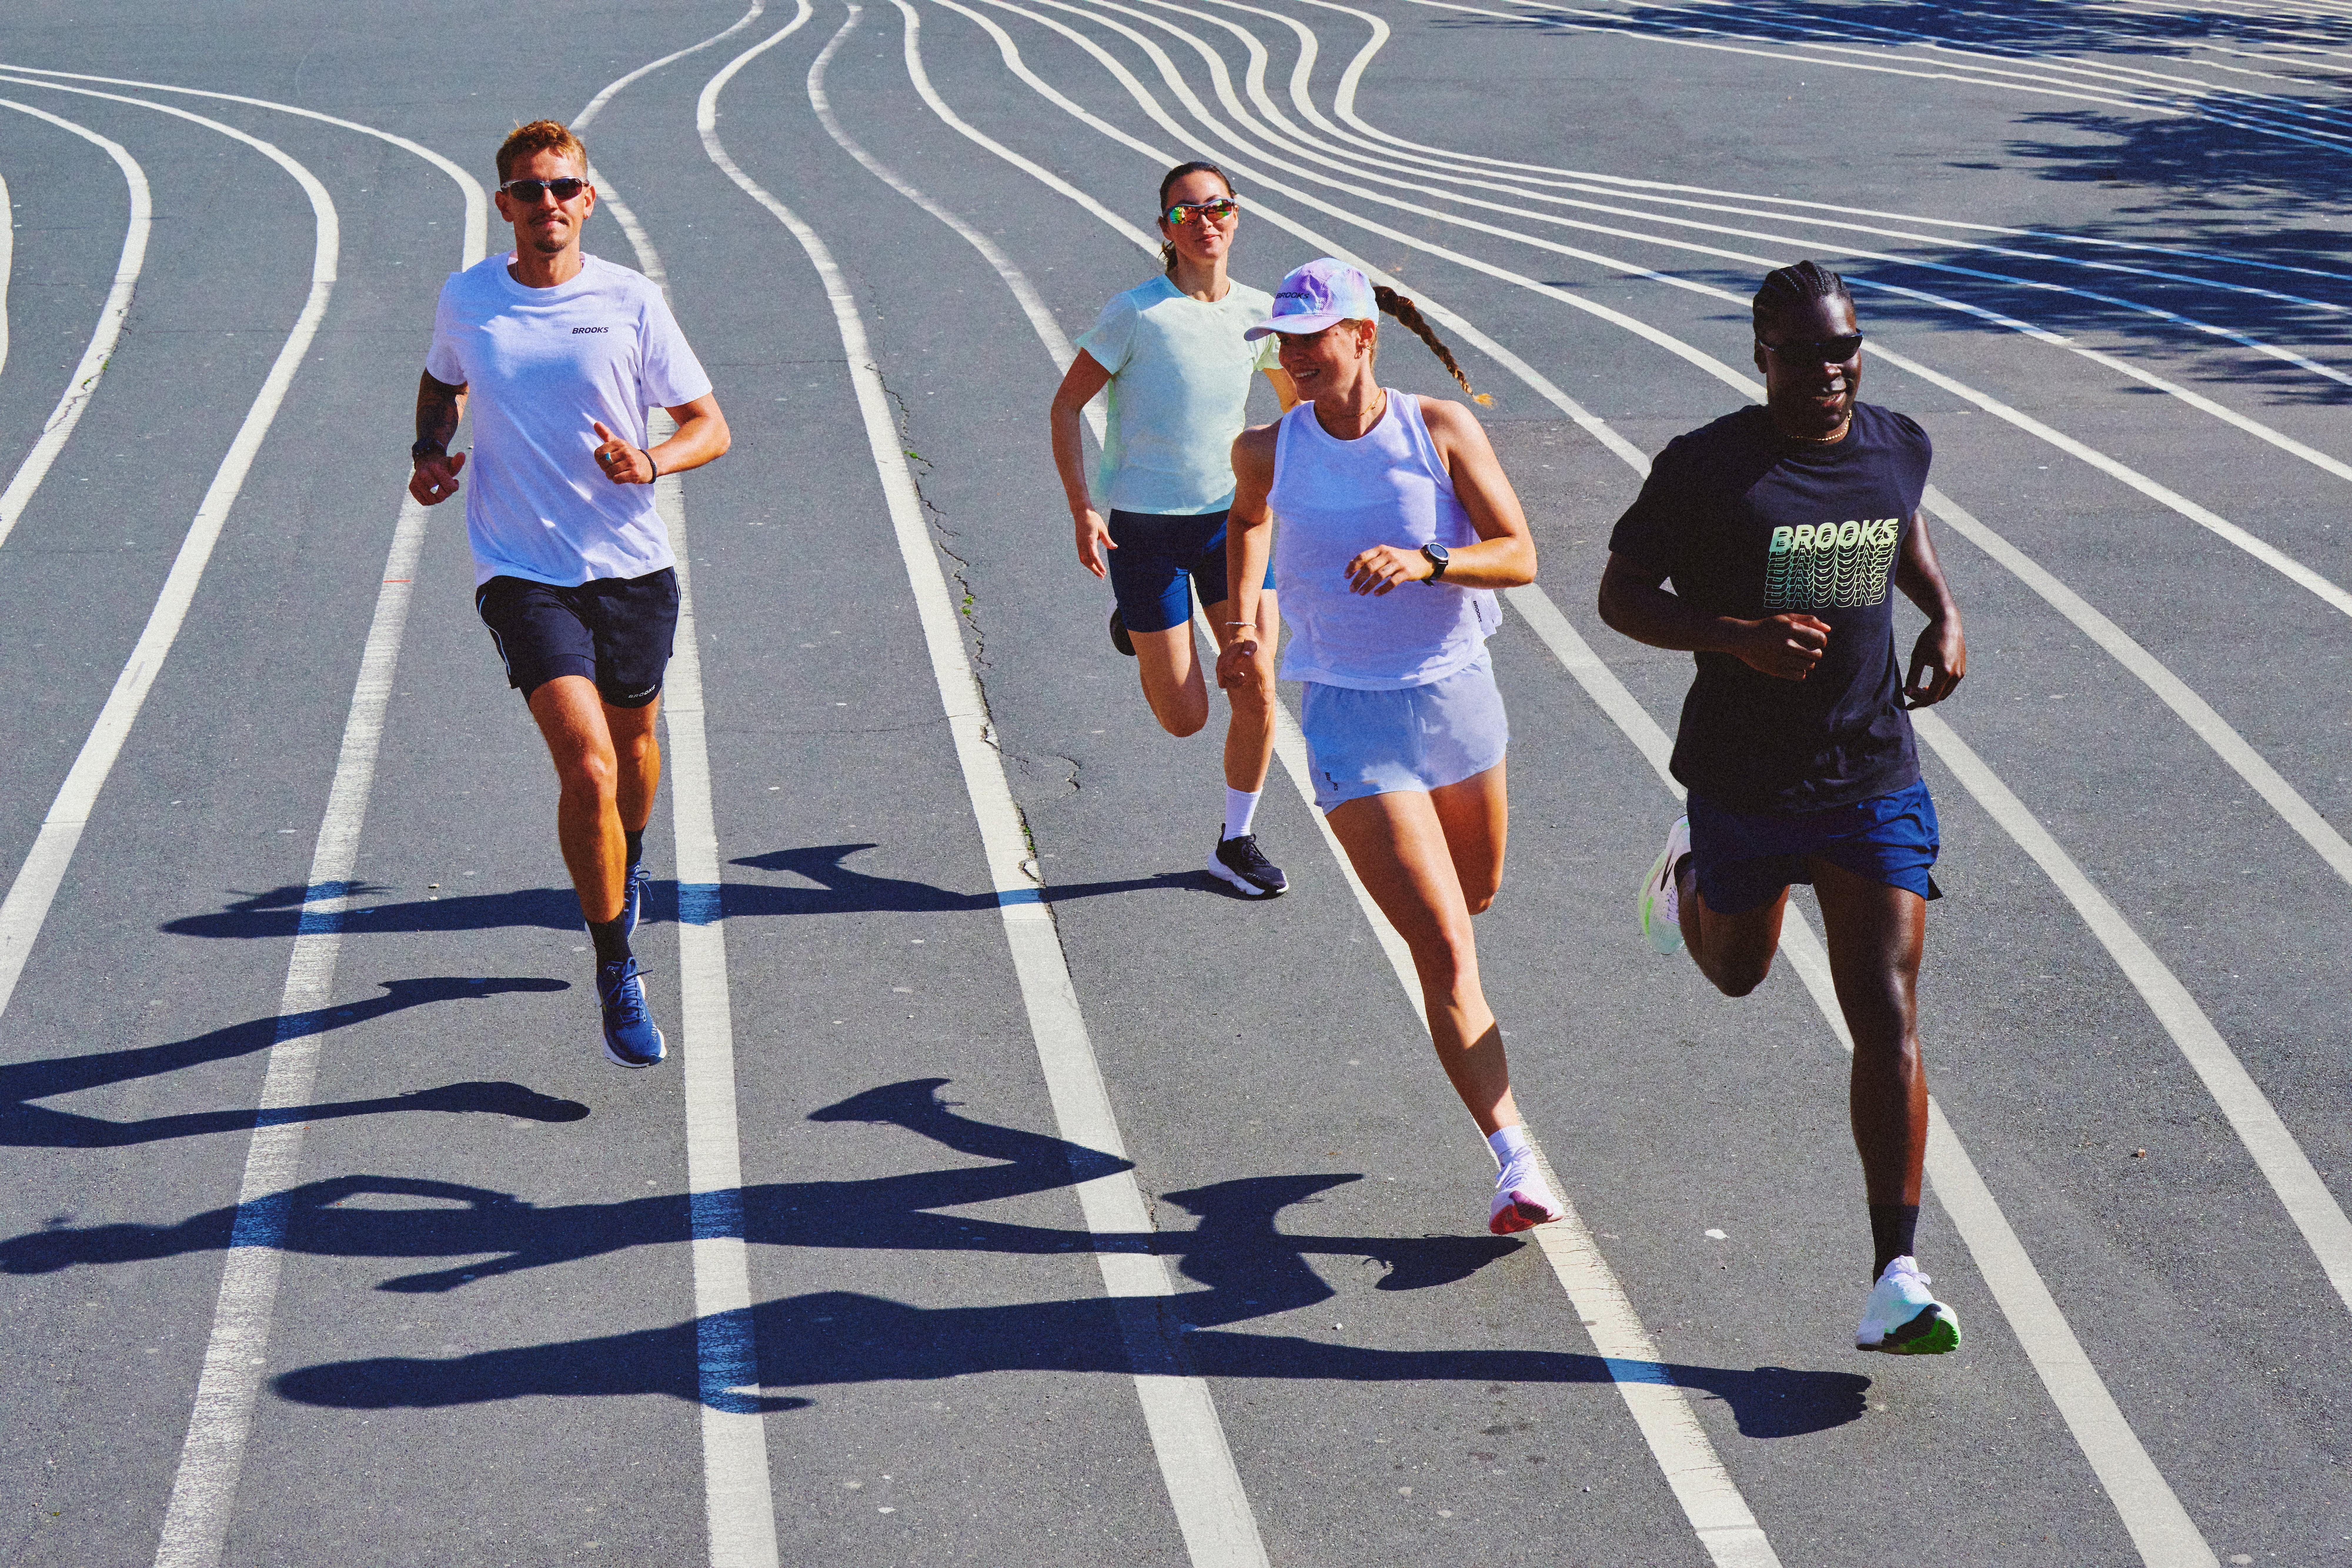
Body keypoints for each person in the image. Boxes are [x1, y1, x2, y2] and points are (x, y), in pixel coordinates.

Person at [1597, 260, 1967, 1354]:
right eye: (1806, 356)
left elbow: (1901, 528)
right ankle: (1692, 874)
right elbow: (1620, 596)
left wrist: (1943, 613)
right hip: (1746, 781)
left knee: (1888, 1012)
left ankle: (1895, 1272)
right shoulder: (1709, 469)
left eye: (1847, 349)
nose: (1832, 373)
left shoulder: (1898, 443)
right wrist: (1734, 638)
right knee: (1740, 970)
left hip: (1870, 775)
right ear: (1762, 357)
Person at [1219, 258, 1555, 1236]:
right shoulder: (1268, 449)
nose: (1292, 357)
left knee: (1477, 893)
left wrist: (1431, 560)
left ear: (1362, 337)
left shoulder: (1436, 429)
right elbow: (1244, 522)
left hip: (1456, 700)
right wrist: (1243, 623)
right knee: (1445, 946)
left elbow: (1521, 555)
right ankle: (1513, 1158)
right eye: (1280, 343)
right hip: (1349, 720)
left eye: (1308, 339)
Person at [408, 119, 730, 1070]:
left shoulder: (631, 301)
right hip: (521, 570)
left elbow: (710, 426)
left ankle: (628, 861)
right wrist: (430, 454)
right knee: (586, 765)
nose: (546, 204)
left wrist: (652, 460)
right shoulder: (469, 300)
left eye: (563, 188)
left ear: (589, 199)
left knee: (636, 750)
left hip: (631, 567)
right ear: (503, 204)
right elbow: (440, 385)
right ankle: (616, 963)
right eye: (528, 190)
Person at [1049, 162, 1296, 897]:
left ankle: (1236, 839)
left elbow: (1296, 413)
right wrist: (1081, 507)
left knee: (1254, 679)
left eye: (1218, 207)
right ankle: (1136, 621)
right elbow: (1066, 409)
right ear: (1166, 230)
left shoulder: (1258, 313)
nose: (1206, 221)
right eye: (1187, 213)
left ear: (1236, 216)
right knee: (1186, 718)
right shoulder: (1136, 314)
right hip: (1145, 534)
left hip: (1231, 527)